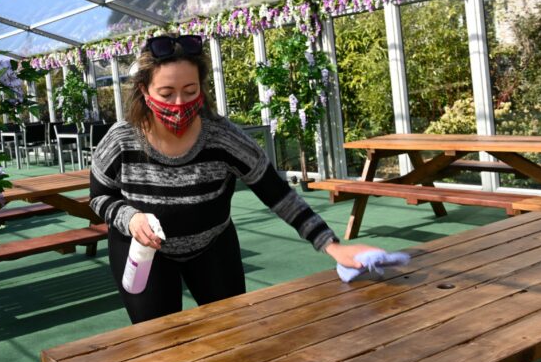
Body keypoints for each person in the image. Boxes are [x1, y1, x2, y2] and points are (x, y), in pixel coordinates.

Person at [89, 34, 381, 324]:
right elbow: (100, 196)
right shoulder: (121, 139)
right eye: (166, 94)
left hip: (212, 249)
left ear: (202, 88)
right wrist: (129, 218)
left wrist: (331, 245)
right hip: (143, 253)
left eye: (190, 91)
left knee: (230, 332)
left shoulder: (224, 138)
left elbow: (278, 194)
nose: (179, 103)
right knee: (157, 342)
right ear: (144, 90)